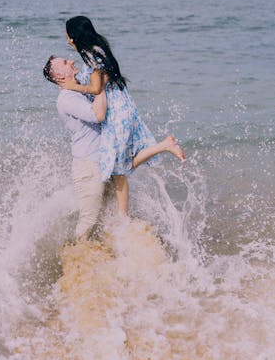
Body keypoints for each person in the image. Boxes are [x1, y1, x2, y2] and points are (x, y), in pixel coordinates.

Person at [58, 16, 186, 216]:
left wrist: (72, 86)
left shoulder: (90, 55)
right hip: (123, 106)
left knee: (119, 170)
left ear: (73, 37)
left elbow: (96, 87)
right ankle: (163, 147)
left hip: (116, 113)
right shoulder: (98, 49)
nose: (65, 38)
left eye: (67, 34)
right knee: (119, 166)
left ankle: (123, 219)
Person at [43, 56, 107, 241]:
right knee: (88, 221)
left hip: (100, 161)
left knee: (104, 217)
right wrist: (100, 86)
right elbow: (98, 115)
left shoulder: (77, 91)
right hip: (89, 166)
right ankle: (75, 260)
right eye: (65, 63)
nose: (71, 61)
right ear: (59, 76)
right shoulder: (67, 98)